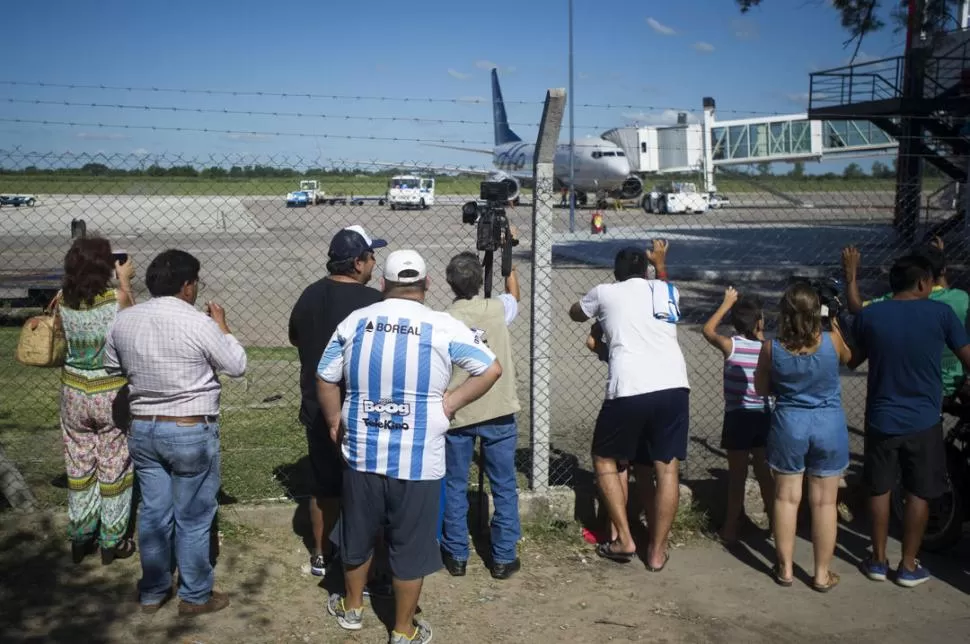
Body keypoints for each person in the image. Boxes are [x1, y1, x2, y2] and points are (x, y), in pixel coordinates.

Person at [318, 249, 502, 644]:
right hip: (419, 458)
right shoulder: (442, 325)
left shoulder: (356, 321)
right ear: (427, 284)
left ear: (383, 284)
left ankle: (352, 608)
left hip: (363, 451)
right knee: (411, 543)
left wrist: (336, 422)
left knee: (357, 533)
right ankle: (403, 628)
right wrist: (449, 403)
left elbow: (325, 374)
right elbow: (490, 368)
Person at [104, 249, 247, 616]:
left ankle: (153, 590)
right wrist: (222, 325)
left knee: (153, 511)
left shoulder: (124, 320)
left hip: (145, 427)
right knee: (195, 515)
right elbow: (237, 365)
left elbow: (111, 366)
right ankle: (195, 594)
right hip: (188, 426)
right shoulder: (198, 323)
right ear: (187, 286)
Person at [568, 240, 690, 572]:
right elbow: (664, 287)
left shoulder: (605, 292)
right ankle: (657, 551)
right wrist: (661, 264)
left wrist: (597, 314)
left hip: (629, 387)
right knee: (667, 466)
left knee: (604, 457)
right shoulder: (666, 291)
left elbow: (575, 312)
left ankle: (624, 537)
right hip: (674, 385)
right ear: (646, 270)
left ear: (616, 273)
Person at [849, 254, 970, 588]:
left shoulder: (871, 315)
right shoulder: (942, 314)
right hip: (924, 419)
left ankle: (877, 559)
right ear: (922, 283)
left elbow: (854, 359)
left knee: (879, 487)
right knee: (919, 490)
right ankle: (908, 564)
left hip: (881, 418)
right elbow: (967, 357)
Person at [289, 225, 386, 577]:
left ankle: (320, 552)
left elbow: (295, 337)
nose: (375, 261)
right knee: (365, 486)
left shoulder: (309, 294)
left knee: (323, 484)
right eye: (372, 255)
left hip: (317, 406)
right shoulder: (375, 303)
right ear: (358, 262)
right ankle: (362, 556)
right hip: (362, 411)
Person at [754, 282, 852, 592]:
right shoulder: (832, 341)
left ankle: (784, 569)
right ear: (816, 312)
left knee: (786, 497)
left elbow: (761, 388)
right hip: (829, 425)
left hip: (789, 424)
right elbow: (848, 358)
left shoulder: (771, 348)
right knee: (825, 502)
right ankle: (821, 573)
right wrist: (832, 322)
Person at [440, 251, 522, 580]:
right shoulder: (498, 308)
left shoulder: (444, 319)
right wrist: (509, 264)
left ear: (450, 284)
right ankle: (503, 556)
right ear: (478, 281)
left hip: (460, 411)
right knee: (504, 485)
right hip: (498, 408)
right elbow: (514, 295)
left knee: (455, 485)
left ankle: (457, 553)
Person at [58, 236, 137, 565]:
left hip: (74, 390)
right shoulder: (115, 299)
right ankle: (112, 538)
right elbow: (134, 325)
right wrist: (124, 282)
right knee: (114, 462)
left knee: (78, 463)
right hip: (109, 391)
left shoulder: (62, 299)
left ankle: (81, 533)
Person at [843, 239, 970, 401]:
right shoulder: (959, 300)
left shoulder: (889, 302)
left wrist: (850, 276)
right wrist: (940, 261)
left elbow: (856, 308)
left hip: (895, 394)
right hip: (948, 385)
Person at [701, 286, 774, 544]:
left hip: (737, 418)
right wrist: (760, 329)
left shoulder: (731, 346)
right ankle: (777, 523)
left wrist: (726, 304)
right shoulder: (768, 349)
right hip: (763, 416)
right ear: (759, 323)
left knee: (737, 477)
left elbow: (708, 330)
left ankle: (730, 528)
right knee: (765, 474)